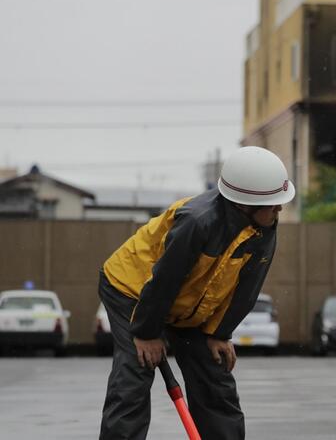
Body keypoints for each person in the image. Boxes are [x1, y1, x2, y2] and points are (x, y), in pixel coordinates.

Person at [98, 146, 295, 440]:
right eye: (272, 204)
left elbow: (248, 287)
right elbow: (165, 279)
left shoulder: (264, 226)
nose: (279, 209)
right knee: (135, 377)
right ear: (244, 204)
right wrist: (148, 332)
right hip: (133, 290)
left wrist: (220, 333)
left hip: (184, 304)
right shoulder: (197, 221)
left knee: (215, 377)